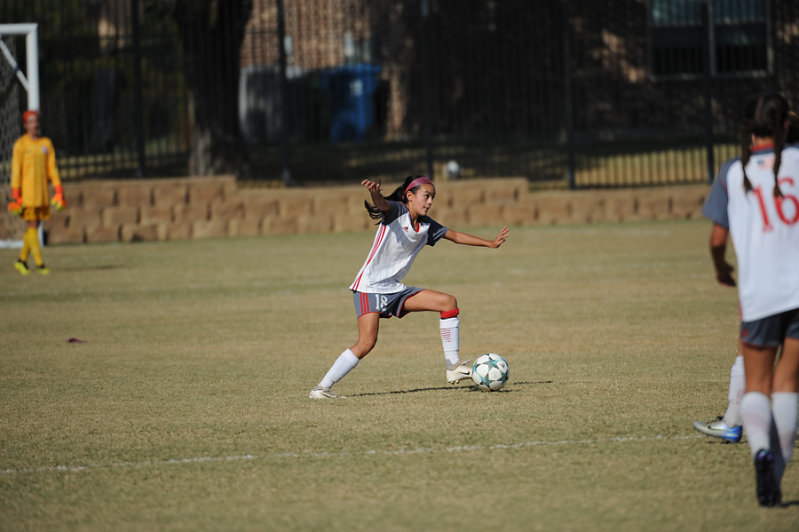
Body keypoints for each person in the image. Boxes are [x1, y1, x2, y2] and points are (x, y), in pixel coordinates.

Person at [309, 176, 509, 399]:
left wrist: (490, 243)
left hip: (394, 289)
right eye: (426, 196)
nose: (430, 202)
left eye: (433, 197)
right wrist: (375, 193)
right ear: (410, 197)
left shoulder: (426, 225)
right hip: (370, 287)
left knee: (448, 302)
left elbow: (455, 236)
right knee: (366, 343)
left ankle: (453, 367)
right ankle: (322, 388)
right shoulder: (397, 211)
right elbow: (381, 204)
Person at [702, 91, 799, 507]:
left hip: (759, 294)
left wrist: (721, 268)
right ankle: (774, 476)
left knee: (758, 385)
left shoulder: (732, 171)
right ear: (785, 125)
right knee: (788, 384)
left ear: (747, 130)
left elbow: (716, 239)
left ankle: (760, 452)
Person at [7, 110, 66, 275]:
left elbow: (52, 168)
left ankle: (21, 261)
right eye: (31, 122)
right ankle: (40, 263)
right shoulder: (20, 145)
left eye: (36, 121)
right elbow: (16, 171)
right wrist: (15, 194)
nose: (35, 124)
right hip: (27, 193)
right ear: (25, 125)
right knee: (32, 224)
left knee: (36, 225)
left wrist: (58, 190)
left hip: (42, 191)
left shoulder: (46, 143)